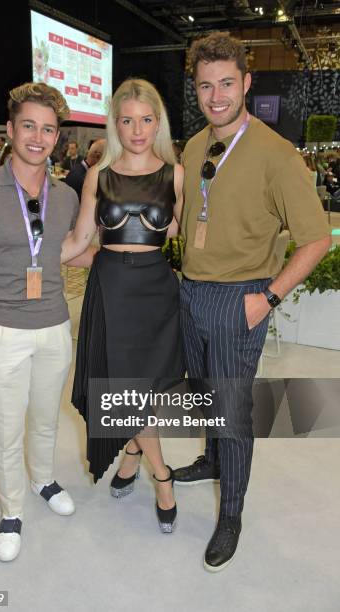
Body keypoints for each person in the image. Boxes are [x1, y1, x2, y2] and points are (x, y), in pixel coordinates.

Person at [175, 32, 331, 572]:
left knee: (233, 411)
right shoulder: (196, 147)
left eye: (226, 84)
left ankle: (231, 514)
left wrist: (266, 297)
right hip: (191, 292)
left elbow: (316, 239)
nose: (216, 96)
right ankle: (212, 459)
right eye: (205, 86)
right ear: (195, 90)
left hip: (241, 300)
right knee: (201, 393)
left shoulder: (277, 154)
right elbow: (196, 216)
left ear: (246, 83)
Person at [0, 82, 91, 563]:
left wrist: (131, 253)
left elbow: (68, 255)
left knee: (47, 418)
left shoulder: (67, 196)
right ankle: (12, 511)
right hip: (3, 331)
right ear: (9, 130)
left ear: (58, 138)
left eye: (48, 129)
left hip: (54, 327)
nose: (38, 137)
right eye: (28, 126)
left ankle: (44, 479)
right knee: (7, 427)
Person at [61, 78, 185, 533]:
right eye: (128, 120)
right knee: (125, 389)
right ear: (116, 124)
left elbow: (174, 231)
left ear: (159, 123)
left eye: (146, 120)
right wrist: (26, 261)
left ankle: (133, 453)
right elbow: (78, 239)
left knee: (142, 390)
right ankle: (162, 475)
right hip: (110, 290)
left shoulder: (176, 174)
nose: (137, 130)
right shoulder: (99, 174)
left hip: (156, 291)